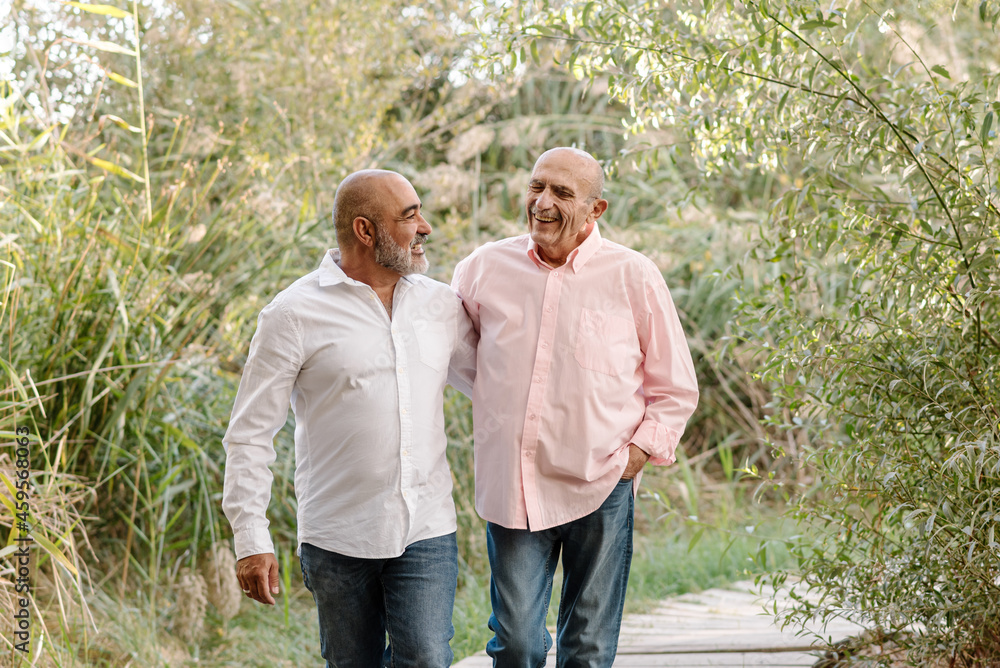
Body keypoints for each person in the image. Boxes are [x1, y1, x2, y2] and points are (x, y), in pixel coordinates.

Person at [451, 147, 699, 666]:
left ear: (595, 209)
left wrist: (635, 455)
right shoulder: (482, 268)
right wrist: (502, 406)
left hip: (602, 482)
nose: (542, 202)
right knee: (517, 643)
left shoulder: (633, 274)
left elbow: (675, 386)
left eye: (562, 193)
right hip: (514, 485)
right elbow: (458, 355)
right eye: (537, 186)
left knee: (587, 648)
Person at [222, 169, 476, 667]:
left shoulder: (441, 304)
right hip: (337, 537)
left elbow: (495, 387)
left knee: (427, 657)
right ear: (365, 230)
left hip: (426, 528)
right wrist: (250, 538)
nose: (425, 227)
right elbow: (250, 435)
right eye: (410, 216)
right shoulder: (292, 315)